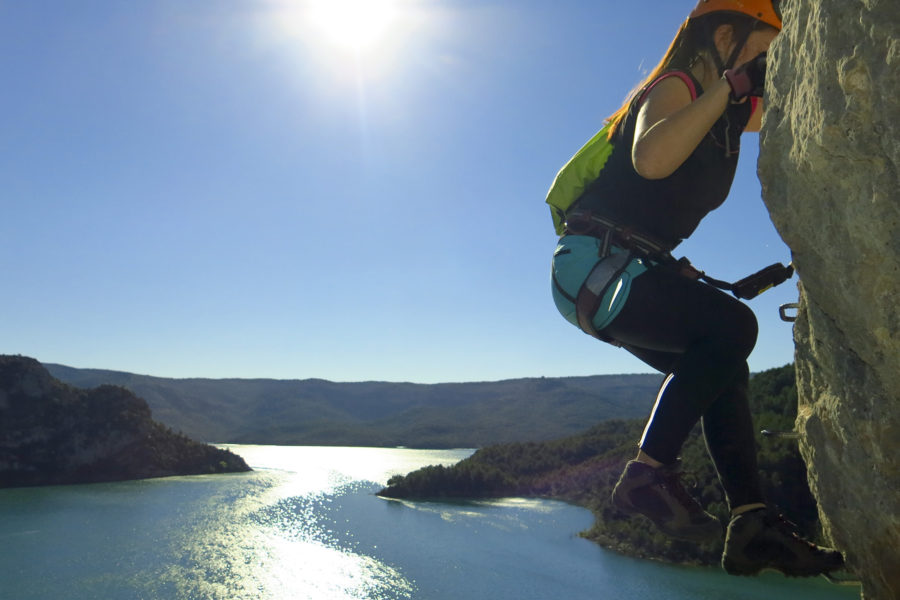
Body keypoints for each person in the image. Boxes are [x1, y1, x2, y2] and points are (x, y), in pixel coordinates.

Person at [547, 0, 845, 577]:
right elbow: (652, 159)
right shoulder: (676, 86)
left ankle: (751, 521)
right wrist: (728, 87)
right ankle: (649, 472)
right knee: (735, 326)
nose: (768, 65)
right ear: (725, 36)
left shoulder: (728, 114)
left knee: (724, 364)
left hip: (618, 272)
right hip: (597, 265)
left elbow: (793, 95)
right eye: (762, 51)